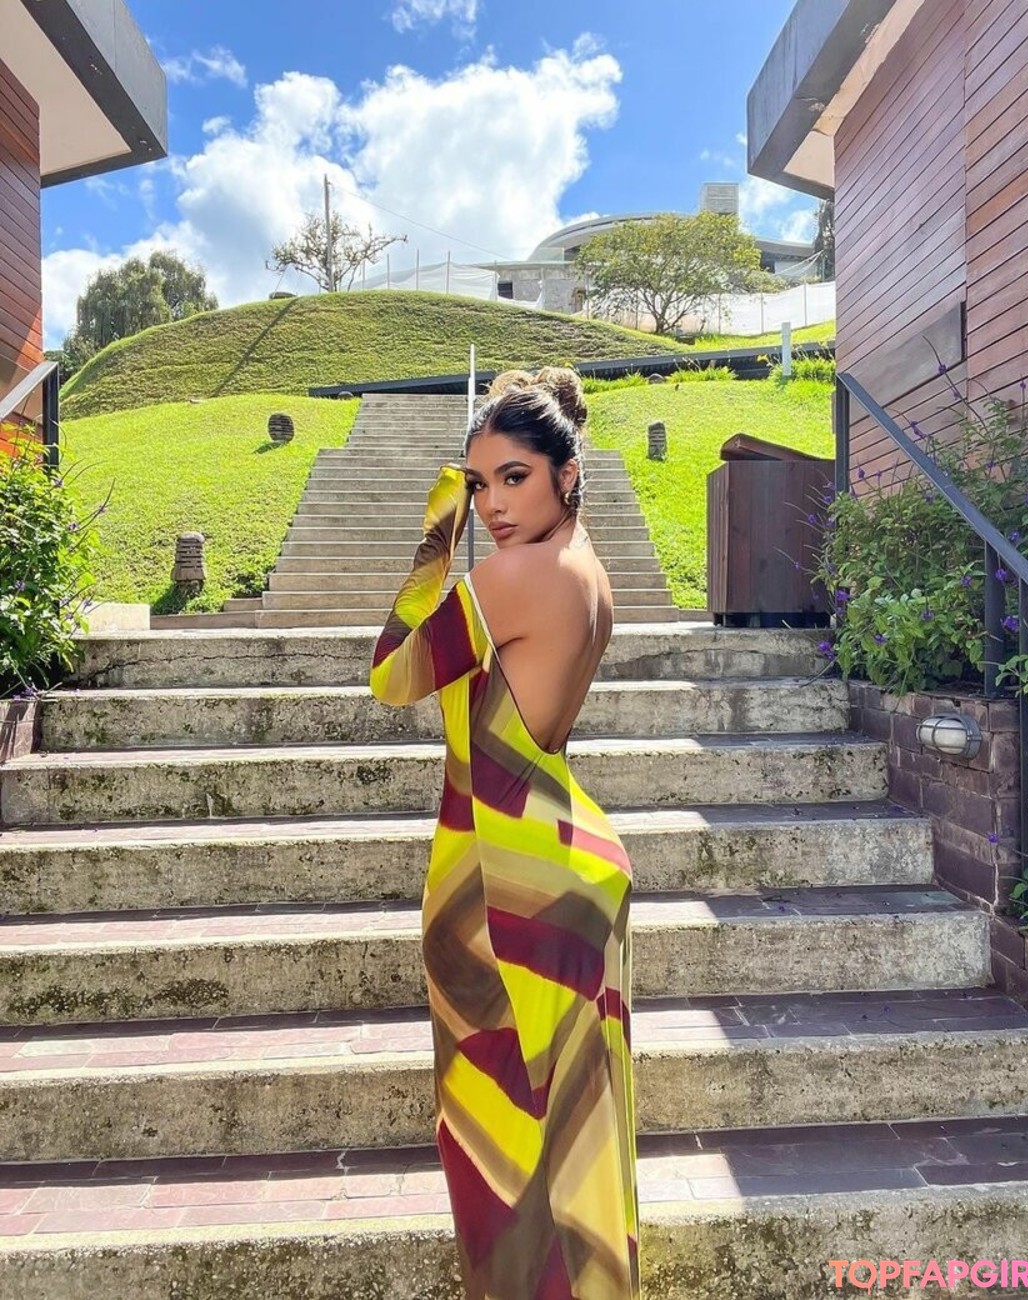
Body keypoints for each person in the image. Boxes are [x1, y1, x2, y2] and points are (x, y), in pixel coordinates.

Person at [369, 366, 640, 1299]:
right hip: (569, 865)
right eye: (479, 484)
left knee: (502, 1156)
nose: (492, 504)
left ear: (568, 474)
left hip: (499, 885)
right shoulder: (588, 573)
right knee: (575, 1138)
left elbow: (392, 675)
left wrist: (437, 529)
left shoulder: (512, 576)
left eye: (513, 478)